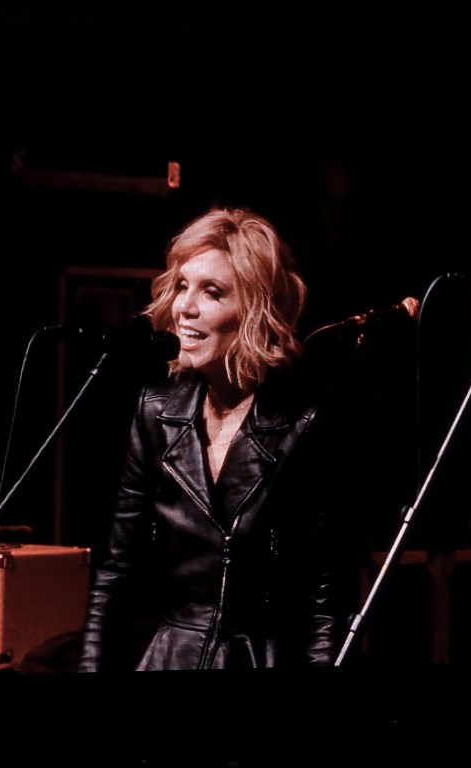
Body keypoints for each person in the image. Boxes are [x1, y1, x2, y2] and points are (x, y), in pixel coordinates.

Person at [77, 206, 342, 671]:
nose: (185, 307)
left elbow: (323, 596)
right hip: (167, 660)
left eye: (212, 291)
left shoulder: (303, 424)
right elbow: (114, 572)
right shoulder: (155, 412)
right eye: (182, 285)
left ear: (255, 310)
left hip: (258, 661)